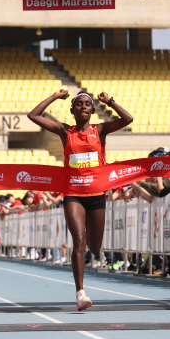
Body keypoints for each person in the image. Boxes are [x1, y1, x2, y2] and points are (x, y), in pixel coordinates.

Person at [28, 89, 133, 311]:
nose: (83, 106)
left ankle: (90, 258)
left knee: (94, 247)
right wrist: (55, 96)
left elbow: (128, 119)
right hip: (73, 194)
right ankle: (80, 292)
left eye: (87, 104)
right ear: (73, 110)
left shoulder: (100, 131)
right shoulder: (66, 132)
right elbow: (33, 116)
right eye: (79, 104)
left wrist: (110, 102)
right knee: (79, 241)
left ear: (93, 110)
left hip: (96, 195)